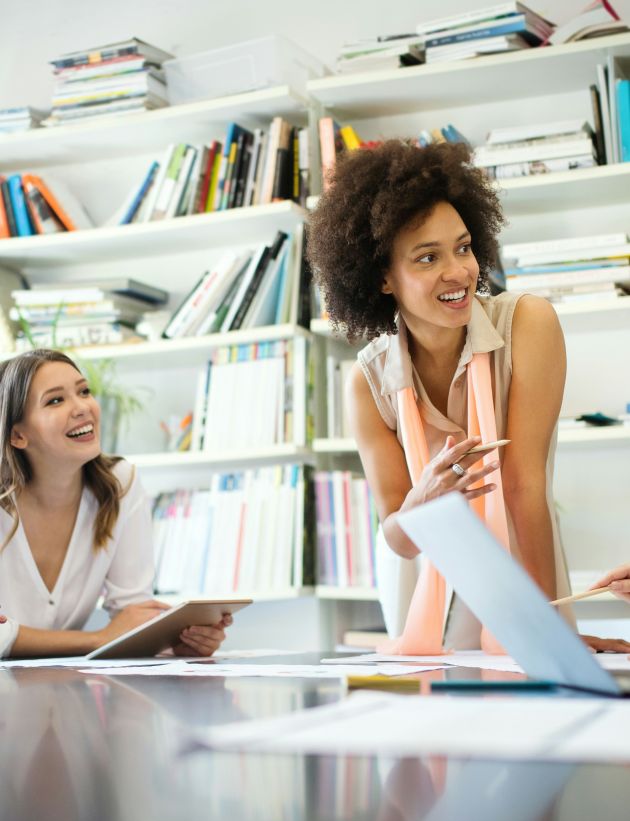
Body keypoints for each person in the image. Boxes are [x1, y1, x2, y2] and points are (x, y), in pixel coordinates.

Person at [307, 139, 628, 653]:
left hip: (523, 566)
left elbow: (523, 487)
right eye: (427, 257)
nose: (458, 271)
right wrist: (423, 500)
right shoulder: (367, 382)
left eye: (462, 246)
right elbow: (398, 539)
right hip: (424, 589)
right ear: (383, 278)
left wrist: (545, 631)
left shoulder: (528, 324)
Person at [0, 348, 230, 658]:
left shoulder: (119, 484)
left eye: (84, 391)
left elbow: (131, 614)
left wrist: (174, 641)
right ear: (17, 435)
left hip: (62, 693)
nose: (82, 407)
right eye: (56, 400)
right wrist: (98, 639)